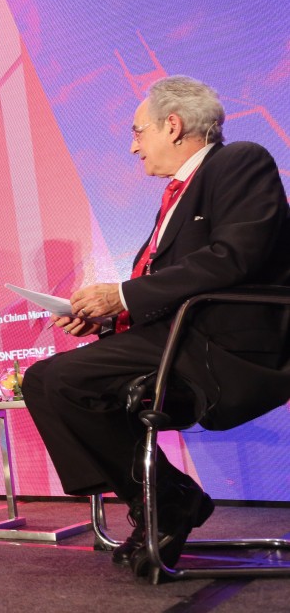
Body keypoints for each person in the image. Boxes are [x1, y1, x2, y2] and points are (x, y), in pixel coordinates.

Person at [20, 76, 290, 577]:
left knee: (54, 381)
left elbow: (233, 258)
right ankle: (166, 499)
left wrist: (121, 296)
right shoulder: (175, 196)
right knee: (54, 383)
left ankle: (168, 499)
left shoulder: (239, 161)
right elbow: (168, 284)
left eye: (138, 131)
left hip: (223, 344)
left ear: (173, 125)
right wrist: (109, 316)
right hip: (178, 335)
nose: (132, 145)